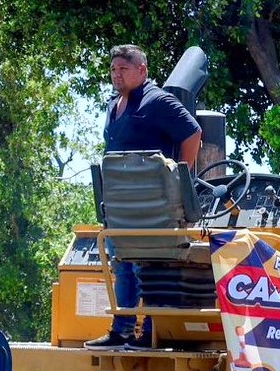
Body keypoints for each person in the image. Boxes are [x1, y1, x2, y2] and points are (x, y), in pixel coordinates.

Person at [86, 43, 206, 351]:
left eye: (123, 69)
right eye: (113, 69)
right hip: (120, 205)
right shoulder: (114, 105)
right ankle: (122, 329)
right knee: (121, 264)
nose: (117, 74)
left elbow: (192, 133)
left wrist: (182, 176)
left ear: (142, 70)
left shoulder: (158, 101)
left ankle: (151, 330)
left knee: (148, 267)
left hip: (153, 206)